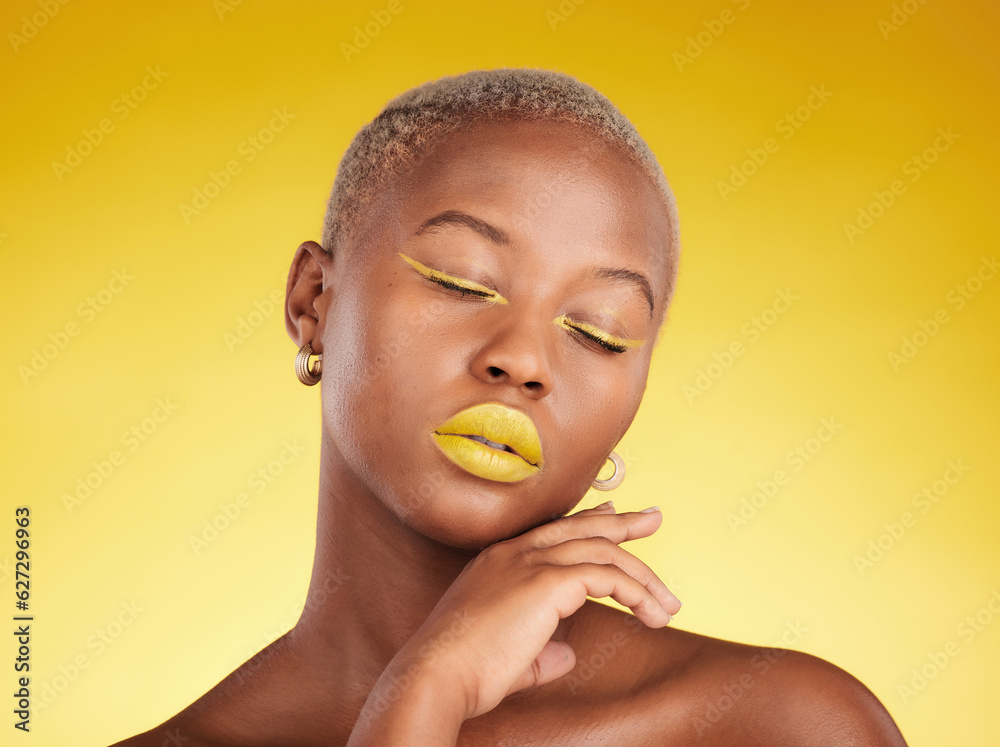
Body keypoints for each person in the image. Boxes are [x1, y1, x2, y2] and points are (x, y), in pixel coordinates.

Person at [113, 68, 908, 746]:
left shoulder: (777, 726)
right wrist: (421, 698)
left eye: (599, 333)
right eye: (462, 281)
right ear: (314, 299)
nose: (523, 361)